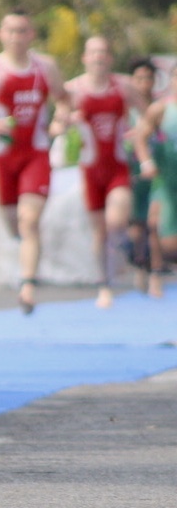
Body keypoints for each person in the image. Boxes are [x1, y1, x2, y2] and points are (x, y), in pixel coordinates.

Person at [0, 12, 70, 313]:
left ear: (32, 34)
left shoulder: (46, 67)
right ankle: (26, 251)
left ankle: (28, 284)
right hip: (4, 157)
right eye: (11, 31)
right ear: (1, 34)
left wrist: (60, 122)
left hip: (36, 153)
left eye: (23, 31)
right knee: (13, 224)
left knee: (29, 220)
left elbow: (64, 99)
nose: (17, 37)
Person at [65, 36, 142, 309]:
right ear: (85, 58)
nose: (98, 57)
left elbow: (145, 118)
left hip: (117, 166)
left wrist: (139, 137)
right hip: (90, 169)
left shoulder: (124, 87)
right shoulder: (73, 90)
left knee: (116, 221)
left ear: (110, 58)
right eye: (93, 53)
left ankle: (125, 247)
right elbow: (56, 125)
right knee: (99, 232)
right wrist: (66, 125)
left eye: (103, 52)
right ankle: (104, 283)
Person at [131, 85, 175, 301]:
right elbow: (140, 137)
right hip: (164, 179)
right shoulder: (161, 109)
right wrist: (146, 161)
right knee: (154, 224)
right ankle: (155, 273)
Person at [125, 58, 161, 287]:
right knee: (137, 225)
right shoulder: (125, 108)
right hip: (132, 168)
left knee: (154, 222)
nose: (144, 83)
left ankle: (156, 272)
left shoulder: (160, 107)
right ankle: (140, 263)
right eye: (139, 78)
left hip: (158, 170)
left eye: (148, 78)